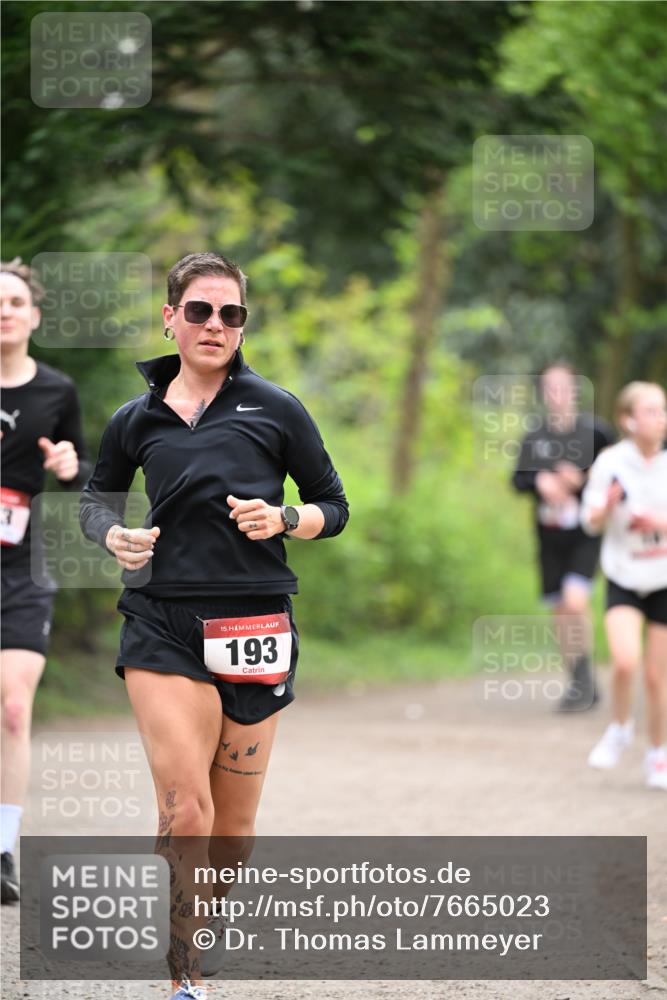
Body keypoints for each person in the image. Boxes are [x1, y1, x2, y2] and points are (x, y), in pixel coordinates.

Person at [79, 251, 349, 999]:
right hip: (161, 619)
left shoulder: (277, 407)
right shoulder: (135, 419)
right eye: (199, 310)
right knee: (185, 806)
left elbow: (335, 505)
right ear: (170, 317)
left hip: (255, 621)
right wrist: (111, 535)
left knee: (230, 834)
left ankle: (198, 923)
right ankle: (183, 979)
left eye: (231, 314)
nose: (215, 325)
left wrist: (287, 517)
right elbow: (97, 497)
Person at [1, 258, 90, 903]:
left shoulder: (57, 391)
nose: (4, 311)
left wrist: (65, 466)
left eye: (14, 302)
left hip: (22, 567)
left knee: (12, 707)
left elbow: (85, 475)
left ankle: (2, 848)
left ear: (33, 316)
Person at [511, 361, 615, 712]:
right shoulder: (535, 435)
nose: (556, 394)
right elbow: (518, 479)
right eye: (549, 387)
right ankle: (580, 682)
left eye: (563, 386)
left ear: (574, 390)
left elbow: (617, 477)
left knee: (575, 601)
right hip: (549, 536)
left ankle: (585, 680)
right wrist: (539, 481)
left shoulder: (596, 433)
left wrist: (583, 482)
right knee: (559, 609)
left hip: (585, 533)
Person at [582, 382, 667, 790]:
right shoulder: (610, 463)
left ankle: (658, 754)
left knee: (656, 676)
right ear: (628, 420)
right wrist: (604, 508)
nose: (660, 419)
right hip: (623, 576)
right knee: (625, 661)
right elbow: (589, 520)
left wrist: (659, 524)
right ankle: (619, 728)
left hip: (663, 579)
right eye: (650, 411)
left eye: (663, 410)